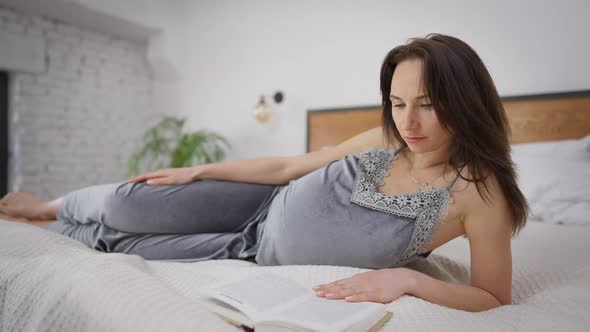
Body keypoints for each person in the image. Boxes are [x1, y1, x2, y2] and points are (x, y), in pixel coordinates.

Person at [0, 33, 528, 312]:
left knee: (121, 244)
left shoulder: (481, 194)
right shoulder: (386, 138)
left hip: (256, 253)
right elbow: (287, 166)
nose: (407, 121)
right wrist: (200, 169)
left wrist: (408, 280)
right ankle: (52, 205)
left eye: (428, 104)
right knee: (125, 202)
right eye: (396, 103)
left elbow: (492, 297)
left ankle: (54, 227)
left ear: (464, 100)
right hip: (255, 203)